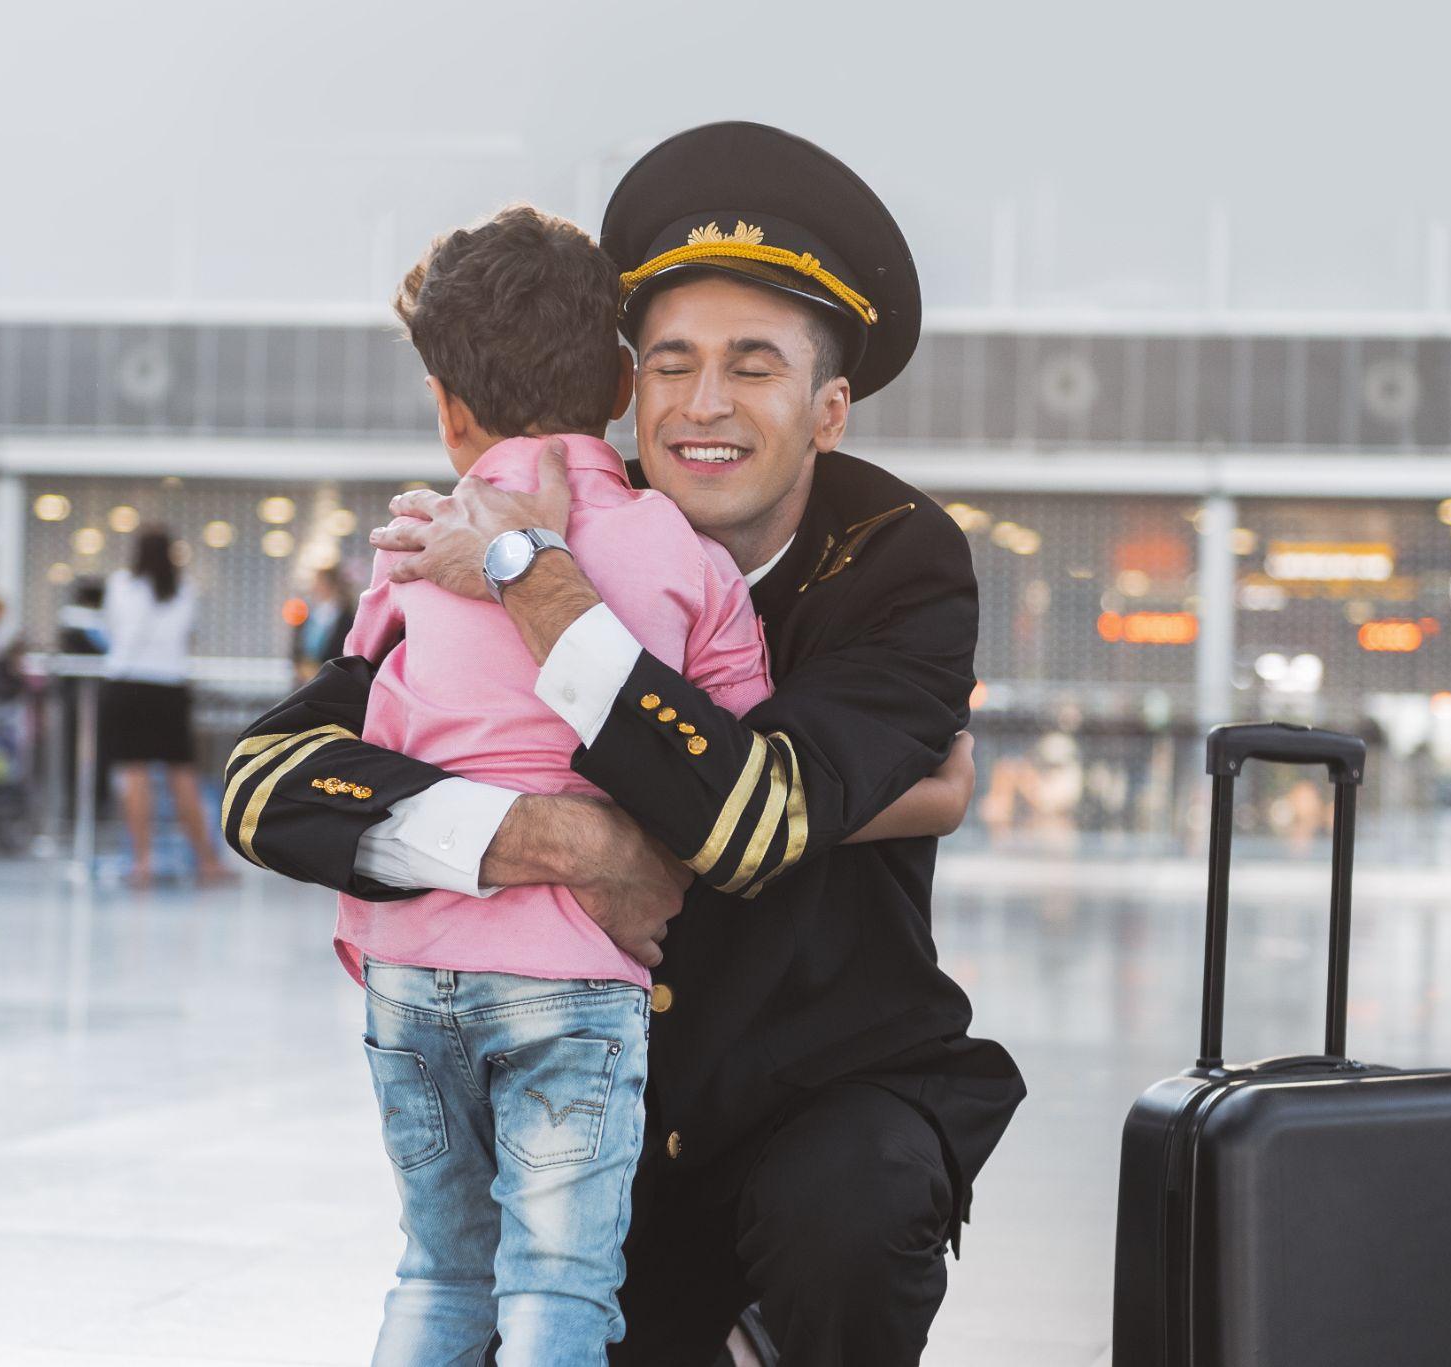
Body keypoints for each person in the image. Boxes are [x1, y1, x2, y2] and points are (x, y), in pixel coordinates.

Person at [222, 123, 1022, 1366]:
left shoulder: (895, 560)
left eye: (753, 367)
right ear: (622, 386)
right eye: (671, 362)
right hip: (616, 1106)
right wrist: (539, 837)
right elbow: (270, 778)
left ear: (827, 409)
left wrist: (528, 580)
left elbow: (753, 820)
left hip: (820, 1081)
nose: (703, 405)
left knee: (849, 1216)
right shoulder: (528, 505)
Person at [102, 527, 233, 888]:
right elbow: (186, 635)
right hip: (170, 688)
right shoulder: (184, 589)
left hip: (128, 684)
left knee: (135, 775)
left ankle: (141, 864)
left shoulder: (121, 585)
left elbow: (116, 631)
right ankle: (207, 862)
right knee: (182, 776)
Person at [292, 565, 356, 683]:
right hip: (303, 680)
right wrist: (300, 667)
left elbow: (346, 652)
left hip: (331, 681)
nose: (314, 587)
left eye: (319, 582)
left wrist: (321, 670)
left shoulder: (348, 618)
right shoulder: (306, 612)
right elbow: (296, 646)